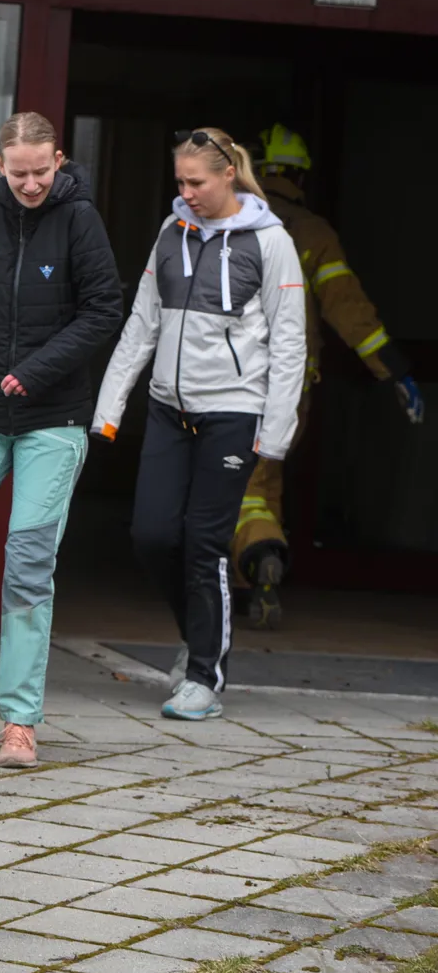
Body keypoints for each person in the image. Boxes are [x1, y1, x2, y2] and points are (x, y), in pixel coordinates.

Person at [0, 111, 122, 768]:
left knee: (29, 563)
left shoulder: (80, 220)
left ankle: (22, 721)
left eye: (41, 171)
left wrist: (35, 372)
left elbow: (102, 311)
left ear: (58, 160)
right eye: (18, 173)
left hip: (53, 419)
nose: (31, 184)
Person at [93, 127, 306, 721]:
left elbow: (291, 342)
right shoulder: (170, 232)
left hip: (233, 411)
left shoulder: (272, 243)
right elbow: (142, 323)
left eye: (196, 182)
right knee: (151, 535)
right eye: (179, 181)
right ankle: (199, 637)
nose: (184, 192)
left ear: (228, 176)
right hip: (169, 408)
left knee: (205, 544)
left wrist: (277, 431)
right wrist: (110, 410)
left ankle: (205, 677)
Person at [229, 124, 425, 629]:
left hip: (229, 379)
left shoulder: (227, 223)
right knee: (261, 485)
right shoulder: (313, 233)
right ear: (298, 176)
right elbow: (349, 310)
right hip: (291, 387)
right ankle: (255, 577)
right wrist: (394, 371)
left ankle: (251, 567)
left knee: (237, 486)